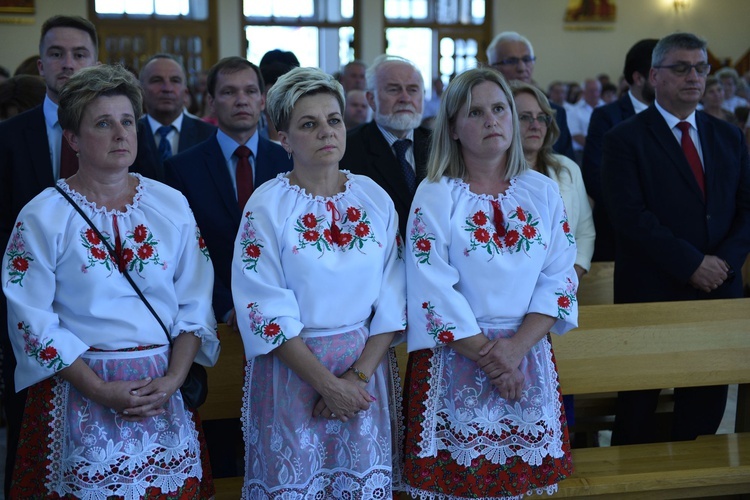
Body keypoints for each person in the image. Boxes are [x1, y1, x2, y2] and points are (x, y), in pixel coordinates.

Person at [1, 63, 220, 498]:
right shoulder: (43, 215)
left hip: (163, 391)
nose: (121, 133)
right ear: (73, 139)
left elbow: (196, 301)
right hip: (80, 393)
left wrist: (175, 378)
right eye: (103, 123)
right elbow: (32, 319)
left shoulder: (170, 204)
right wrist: (100, 388)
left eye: (126, 121)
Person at [402, 67, 578, 499]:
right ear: (454, 128)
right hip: (456, 359)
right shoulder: (435, 193)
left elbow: (560, 276)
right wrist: (494, 359)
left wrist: (515, 350)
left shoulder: (542, 190)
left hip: (527, 356)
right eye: (476, 112)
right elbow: (431, 288)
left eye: (500, 109)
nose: (492, 120)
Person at [231, 66, 406, 497]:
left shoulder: (374, 196)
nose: (326, 132)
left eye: (334, 120)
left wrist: (356, 380)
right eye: (308, 124)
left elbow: (394, 292)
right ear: (284, 138)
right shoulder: (267, 206)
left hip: (364, 370)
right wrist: (328, 385)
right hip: (294, 376)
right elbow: (262, 307)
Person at [602, 33, 750, 445]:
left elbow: (747, 208)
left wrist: (723, 264)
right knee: (637, 414)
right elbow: (630, 217)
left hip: (717, 293)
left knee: (703, 415)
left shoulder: (728, 136)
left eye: (700, 67)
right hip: (652, 292)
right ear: (654, 75)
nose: (694, 76)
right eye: (681, 67)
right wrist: (691, 264)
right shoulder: (625, 139)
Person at [0, 15, 99, 496]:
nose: (69, 64)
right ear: (41, 65)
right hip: (28, 316)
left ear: (94, 62)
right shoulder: (9, 138)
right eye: (57, 54)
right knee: (30, 446)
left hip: (104, 319)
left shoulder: (123, 132)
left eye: (80, 54)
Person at [583, 38, 658, 262]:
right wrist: (637, 214)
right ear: (638, 78)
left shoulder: (673, 118)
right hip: (618, 233)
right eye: (660, 73)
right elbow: (594, 174)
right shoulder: (607, 116)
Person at [340, 54, 430, 238]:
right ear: (371, 99)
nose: (405, 98)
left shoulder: (442, 145)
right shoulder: (347, 149)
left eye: (413, 90)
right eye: (394, 90)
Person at [512, 81, 595, 280]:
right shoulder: (491, 176)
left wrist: (571, 277)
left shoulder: (567, 169)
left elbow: (585, 233)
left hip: (563, 284)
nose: (535, 125)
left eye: (542, 118)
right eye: (525, 117)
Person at [486, 31, 576, 162]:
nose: (522, 68)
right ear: (492, 68)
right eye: (511, 61)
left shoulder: (554, 113)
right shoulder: (486, 114)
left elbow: (566, 169)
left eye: (527, 59)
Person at [133, 54, 215, 181]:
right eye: (157, 80)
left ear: (186, 92)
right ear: (141, 90)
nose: (167, 88)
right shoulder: (129, 134)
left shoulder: (209, 136)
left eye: (175, 80)